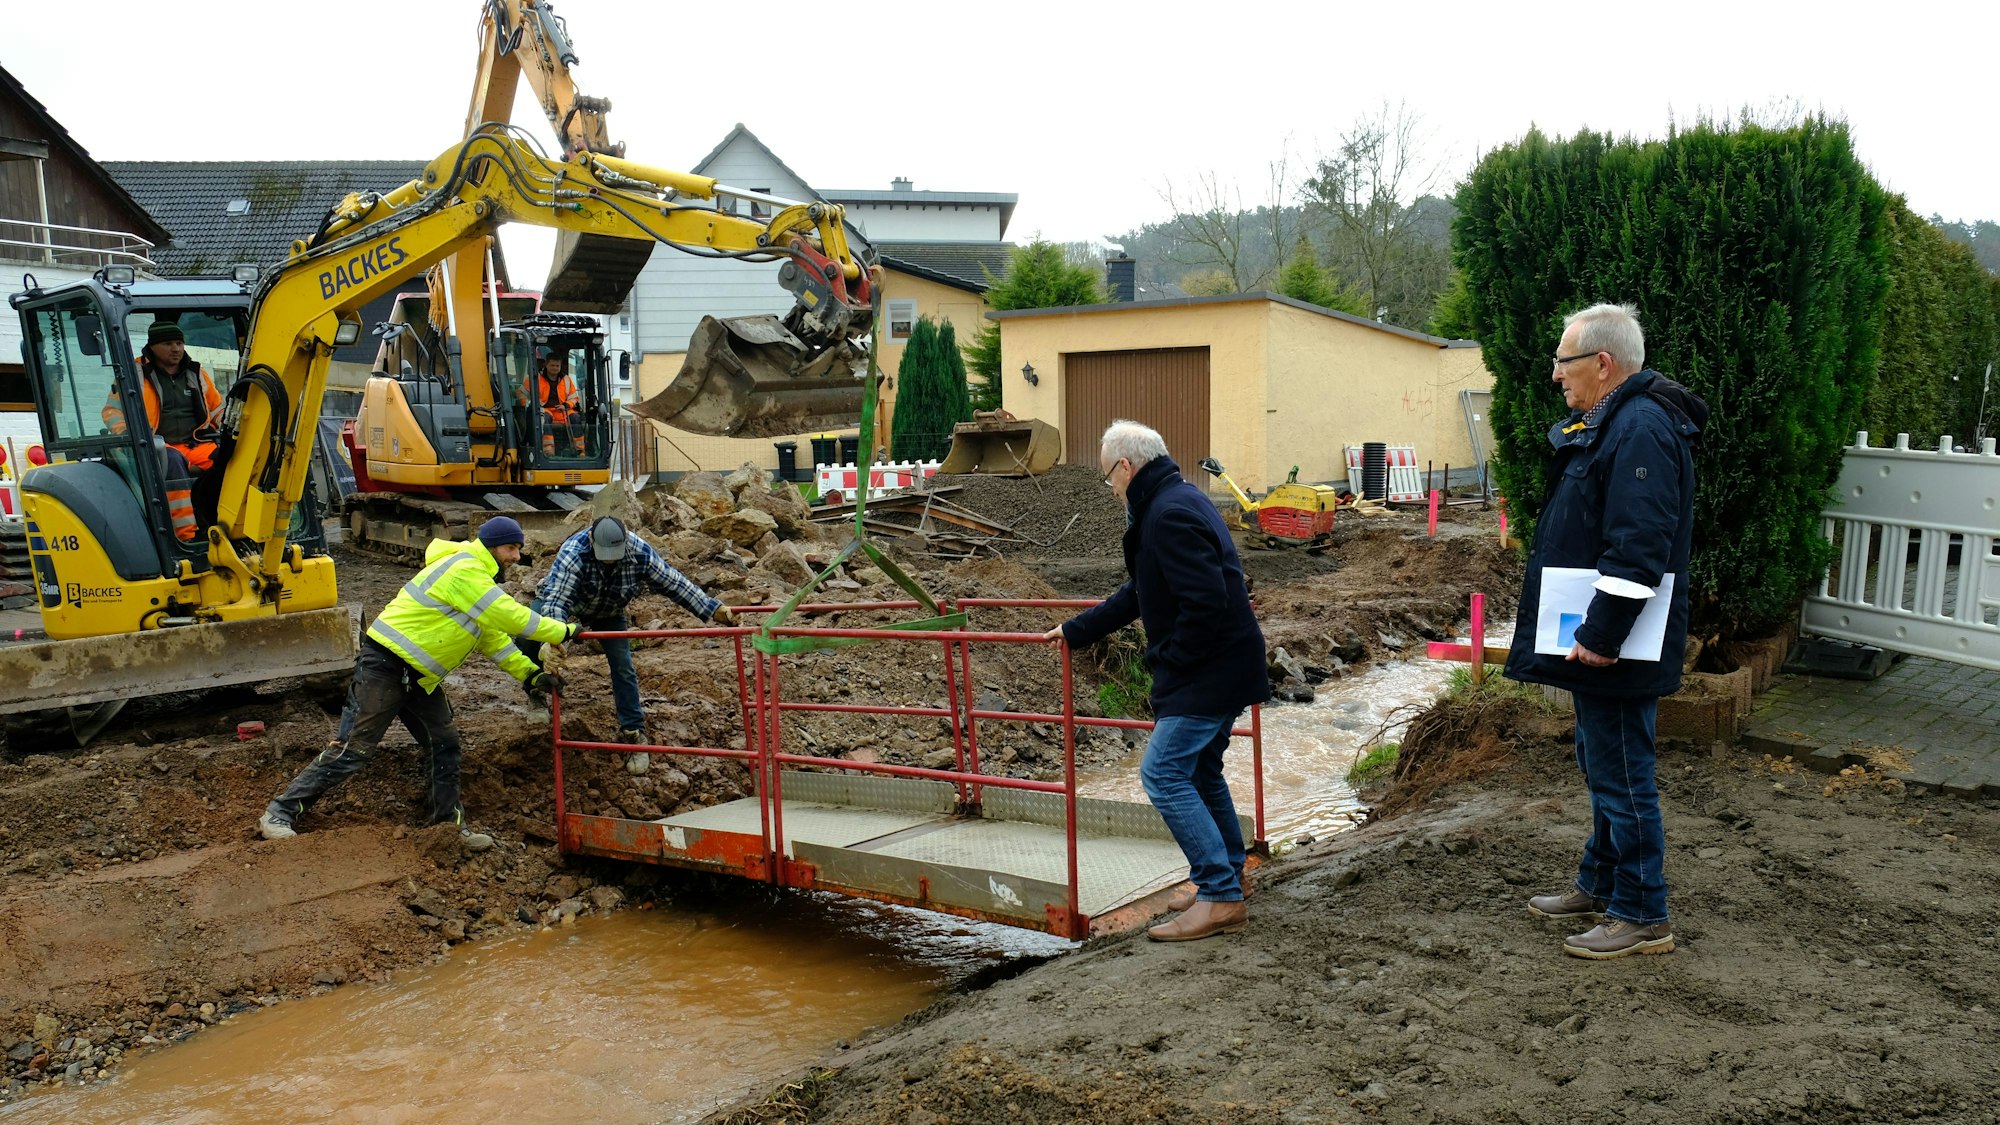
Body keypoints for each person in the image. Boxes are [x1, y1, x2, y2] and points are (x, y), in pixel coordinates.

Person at [1504, 302, 1706, 960]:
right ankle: (1602, 881)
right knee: (1602, 760)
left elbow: (1639, 546)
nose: (1556, 375)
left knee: (1622, 767)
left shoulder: (1641, 427)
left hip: (1616, 647)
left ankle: (1644, 912)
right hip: (1609, 642)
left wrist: (1601, 633)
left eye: (1564, 362)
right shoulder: (1619, 420)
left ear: (1602, 362)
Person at [1042, 420, 1269, 942]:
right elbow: (1142, 590)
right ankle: (1227, 873)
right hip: (1223, 664)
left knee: (1163, 773)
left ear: (1126, 466)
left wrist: (1169, 658)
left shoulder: (1166, 514)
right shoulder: (1174, 499)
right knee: (1201, 769)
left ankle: (1220, 894)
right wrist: (1077, 630)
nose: (1111, 488)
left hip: (1208, 669)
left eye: (1109, 478)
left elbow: (1206, 602)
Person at [257, 515, 579, 849]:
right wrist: (563, 631)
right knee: (354, 749)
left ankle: (448, 828)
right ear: (492, 545)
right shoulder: (465, 569)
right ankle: (279, 812)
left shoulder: (477, 580)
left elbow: (493, 638)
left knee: (444, 743)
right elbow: (508, 615)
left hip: (418, 679)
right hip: (386, 666)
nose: (516, 557)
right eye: (511, 548)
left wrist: (530, 674)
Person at [526, 516, 737, 766]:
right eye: (604, 554)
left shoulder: (639, 551)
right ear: (592, 541)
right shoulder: (574, 553)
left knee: (623, 666)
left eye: (614, 553)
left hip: (609, 611)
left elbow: (673, 582)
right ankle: (536, 690)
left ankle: (633, 733)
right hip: (571, 604)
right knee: (530, 633)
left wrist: (712, 609)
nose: (610, 559)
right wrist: (552, 642)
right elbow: (557, 601)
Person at [102, 321, 225, 541]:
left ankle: (223, 526)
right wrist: (128, 432)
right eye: (168, 343)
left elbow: (217, 409)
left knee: (227, 461)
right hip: (158, 446)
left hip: (195, 444)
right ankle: (186, 537)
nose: (176, 348)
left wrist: (234, 429)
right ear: (153, 345)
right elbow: (112, 410)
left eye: (179, 343)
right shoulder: (134, 373)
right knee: (174, 462)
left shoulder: (196, 374)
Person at [525, 350, 586, 455]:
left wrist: (566, 405)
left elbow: (574, 398)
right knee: (544, 418)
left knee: (576, 418)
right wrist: (532, 405)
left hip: (563, 411)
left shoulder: (566, 379)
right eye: (552, 365)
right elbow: (520, 394)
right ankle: (548, 451)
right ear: (546, 365)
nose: (555, 368)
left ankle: (580, 450)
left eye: (557, 366)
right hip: (545, 410)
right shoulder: (535, 379)